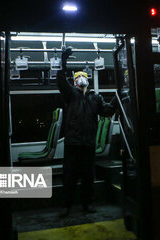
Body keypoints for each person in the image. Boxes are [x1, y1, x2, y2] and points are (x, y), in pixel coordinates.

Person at [57, 47, 117, 216]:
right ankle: (66, 206)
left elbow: (107, 111)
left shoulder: (95, 98)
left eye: (83, 76)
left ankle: (87, 204)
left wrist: (117, 99)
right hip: (73, 143)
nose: (81, 78)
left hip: (88, 143)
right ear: (74, 82)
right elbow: (61, 81)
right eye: (78, 77)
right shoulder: (71, 95)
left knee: (88, 178)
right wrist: (63, 62)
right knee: (69, 177)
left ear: (88, 81)